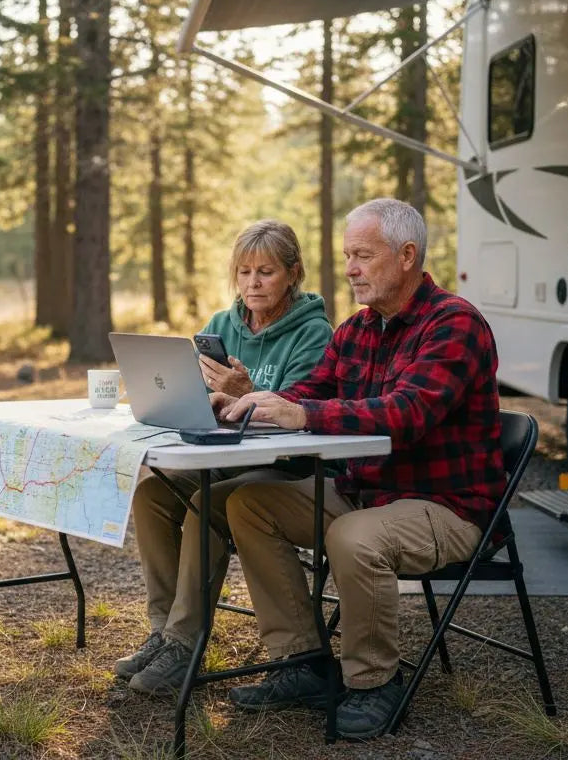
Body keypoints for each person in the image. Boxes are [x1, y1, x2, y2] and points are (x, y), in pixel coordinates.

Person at [211, 198, 507, 738]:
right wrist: (255, 400)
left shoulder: (455, 324)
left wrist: (302, 412)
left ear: (407, 256)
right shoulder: (357, 330)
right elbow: (311, 391)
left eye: (363, 256)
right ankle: (302, 663)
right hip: (368, 496)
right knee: (248, 504)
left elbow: (406, 414)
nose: (349, 268)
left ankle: (374, 683)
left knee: (353, 535)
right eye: (348, 255)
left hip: (448, 509)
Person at [117, 219, 333, 694]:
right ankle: (165, 631)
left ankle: (184, 641)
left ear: (293, 274)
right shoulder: (221, 325)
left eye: (266, 272)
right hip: (225, 455)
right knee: (151, 493)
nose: (252, 284)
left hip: (284, 467)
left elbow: (300, 407)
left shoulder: (313, 332)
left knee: (203, 505)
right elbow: (190, 389)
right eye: (244, 272)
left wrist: (249, 393)